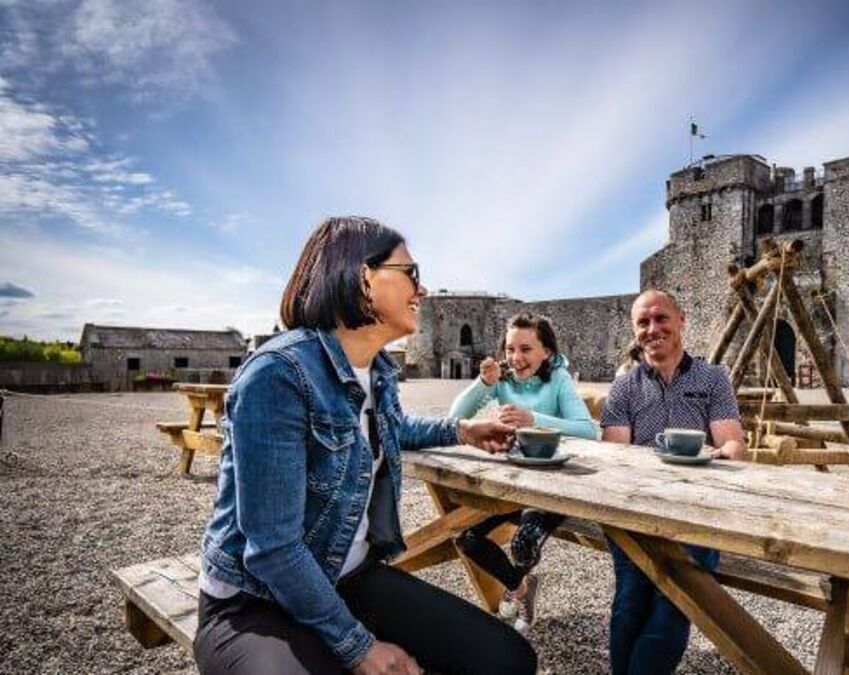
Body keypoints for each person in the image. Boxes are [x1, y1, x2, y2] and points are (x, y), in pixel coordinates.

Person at [194, 216, 537, 675]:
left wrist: (463, 430)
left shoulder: (377, 370)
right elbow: (273, 549)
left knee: (509, 660)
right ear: (362, 277)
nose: (422, 289)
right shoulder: (278, 373)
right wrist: (358, 647)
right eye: (410, 273)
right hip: (253, 603)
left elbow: (387, 428)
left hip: (348, 578)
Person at [600, 289, 747, 675]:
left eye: (661, 318)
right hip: (636, 509)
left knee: (673, 603)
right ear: (634, 331)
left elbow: (733, 444)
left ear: (681, 320)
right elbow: (615, 456)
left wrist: (722, 454)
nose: (653, 329)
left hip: (696, 510)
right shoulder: (624, 386)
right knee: (629, 602)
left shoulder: (713, 379)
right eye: (643, 323)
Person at [449, 313, 599, 632]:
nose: (516, 357)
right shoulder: (503, 380)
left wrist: (534, 418)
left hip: (553, 486)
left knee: (523, 543)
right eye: (510, 349)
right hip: (513, 484)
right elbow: (454, 418)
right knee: (467, 539)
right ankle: (521, 588)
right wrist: (484, 383)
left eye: (526, 349)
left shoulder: (558, 379)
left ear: (547, 351)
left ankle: (518, 588)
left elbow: (588, 431)